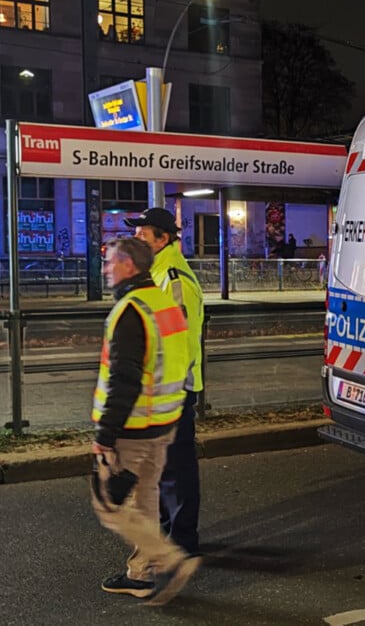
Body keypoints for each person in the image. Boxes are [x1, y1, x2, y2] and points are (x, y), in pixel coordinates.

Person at [91, 237, 200, 605]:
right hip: (165, 421)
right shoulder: (165, 304)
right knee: (146, 498)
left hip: (134, 427)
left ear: (129, 266)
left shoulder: (131, 311)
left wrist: (105, 435)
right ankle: (141, 574)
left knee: (108, 504)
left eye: (110, 263)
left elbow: (124, 379)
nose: (106, 269)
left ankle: (169, 560)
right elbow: (184, 358)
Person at [125, 208, 205, 557]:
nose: (136, 239)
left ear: (163, 239)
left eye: (143, 234)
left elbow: (176, 343)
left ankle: (181, 543)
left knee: (175, 470)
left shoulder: (171, 279)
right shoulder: (154, 273)